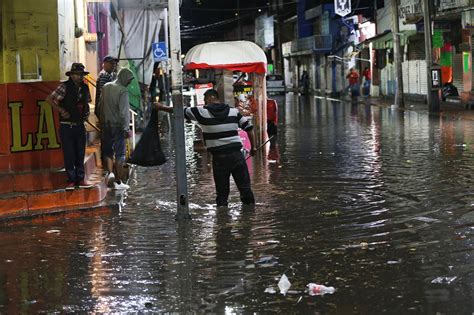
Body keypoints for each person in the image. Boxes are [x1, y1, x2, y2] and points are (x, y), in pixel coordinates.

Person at [156, 89, 256, 207]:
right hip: (237, 157)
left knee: (222, 195)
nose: (203, 103)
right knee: (245, 190)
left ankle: (223, 220)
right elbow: (249, 128)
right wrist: (253, 148)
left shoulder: (201, 112)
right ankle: (250, 217)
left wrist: (160, 107)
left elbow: (178, 111)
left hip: (219, 159)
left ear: (209, 98)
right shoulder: (233, 112)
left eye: (204, 100)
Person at [46, 63, 92, 190]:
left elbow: (87, 102)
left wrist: (86, 114)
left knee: (80, 152)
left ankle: (81, 179)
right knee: (69, 154)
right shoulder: (64, 87)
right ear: (71, 75)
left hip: (79, 125)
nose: (79, 77)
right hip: (66, 126)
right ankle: (71, 180)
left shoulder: (85, 88)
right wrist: (61, 110)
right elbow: (49, 99)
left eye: (81, 75)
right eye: (76, 74)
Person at [99, 68, 134, 190]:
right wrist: (126, 128)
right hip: (118, 126)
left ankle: (110, 174)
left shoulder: (106, 86)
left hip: (105, 124)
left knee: (108, 151)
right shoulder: (123, 90)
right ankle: (118, 182)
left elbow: (100, 105)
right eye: (129, 80)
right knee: (120, 154)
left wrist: (101, 120)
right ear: (124, 78)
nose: (129, 83)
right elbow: (124, 112)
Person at [94, 55, 118, 121]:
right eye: (112, 63)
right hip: (105, 108)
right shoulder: (104, 75)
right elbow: (104, 92)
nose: (114, 66)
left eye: (115, 64)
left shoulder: (111, 75)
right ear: (105, 64)